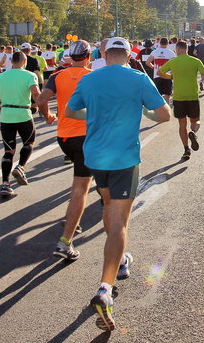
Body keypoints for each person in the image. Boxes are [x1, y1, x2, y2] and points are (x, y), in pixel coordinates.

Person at [66, 37, 170, 331]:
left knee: (109, 207)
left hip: (95, 157)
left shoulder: (90, 79)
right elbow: (164, 115)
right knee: (120, 222)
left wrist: (95, 114)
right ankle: (104, 288)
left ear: (103, 53)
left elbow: (71, 112)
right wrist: (144, 112)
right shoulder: (137, 78)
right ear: (129, 54)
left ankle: (120, 258)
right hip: (124, 158)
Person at [37, 40, 93, 260]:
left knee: (81, 181)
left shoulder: (57, 75)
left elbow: (42, 99)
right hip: (87, 136)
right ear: (88, 56)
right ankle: (65, 241)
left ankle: (73, 218)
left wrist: (48, 116)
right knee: (83, 187)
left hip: (64, 137)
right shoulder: (92, 76)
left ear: (71, 56)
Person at [0, 51, 40, 197]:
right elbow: (35, 93)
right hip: (23, 114)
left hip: (6, 116)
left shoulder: (2, 76)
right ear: (24, 60)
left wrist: (4, 98)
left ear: (11, 61)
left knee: (8, 151)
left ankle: (5, 183)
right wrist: (39, 105)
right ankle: (21, 167)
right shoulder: (30, 75)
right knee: (29, 143)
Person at [158, 41, 204, 160]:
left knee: (182, 124)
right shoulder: (195, 61)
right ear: (187, 49)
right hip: (192, 96)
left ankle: (186, 149)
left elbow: (159, 72)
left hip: (178, 97)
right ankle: (193, 132)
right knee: (196, 121)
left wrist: (171, 77)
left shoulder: (173, 61)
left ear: (177, 49)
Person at [146, 38, 175, 104]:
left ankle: (158, 111)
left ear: (160, 43)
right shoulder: (171, 53)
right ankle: (167, 110)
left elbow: (147, 62)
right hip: (167, 75)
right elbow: (174, 64)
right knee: (167, 95)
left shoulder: (155, 52)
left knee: (158, 95)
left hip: (157, 75)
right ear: (167, 44)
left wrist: (154, 67)